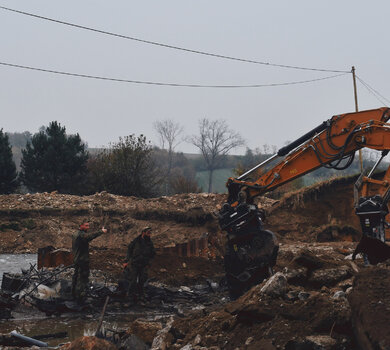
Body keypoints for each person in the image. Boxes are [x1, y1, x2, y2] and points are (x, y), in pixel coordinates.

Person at [71, 222, 107, 303]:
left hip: (77, 259)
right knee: (82, 278)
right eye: (86, 226)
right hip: (82, 260)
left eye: (88, 225)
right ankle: (80, 297)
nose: (88, 227)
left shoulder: (75, 233)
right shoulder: (81, 235)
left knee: (76, 277)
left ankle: (73, 295)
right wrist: (101, 231)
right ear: (81, 225)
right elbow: (89, 237)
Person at [124, 226, 155, 302]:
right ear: (143, 233)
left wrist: (149, 263)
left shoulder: (150, 243)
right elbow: (129, 250)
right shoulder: (136, 241)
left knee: (142, 280)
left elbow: (153, 254)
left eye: (150, 233)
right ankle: (130, 296)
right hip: (134, 263)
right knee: (133, 280)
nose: (149, 235)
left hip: (144, 264)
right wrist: (126, 261)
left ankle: (141, 295)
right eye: (148, 233)